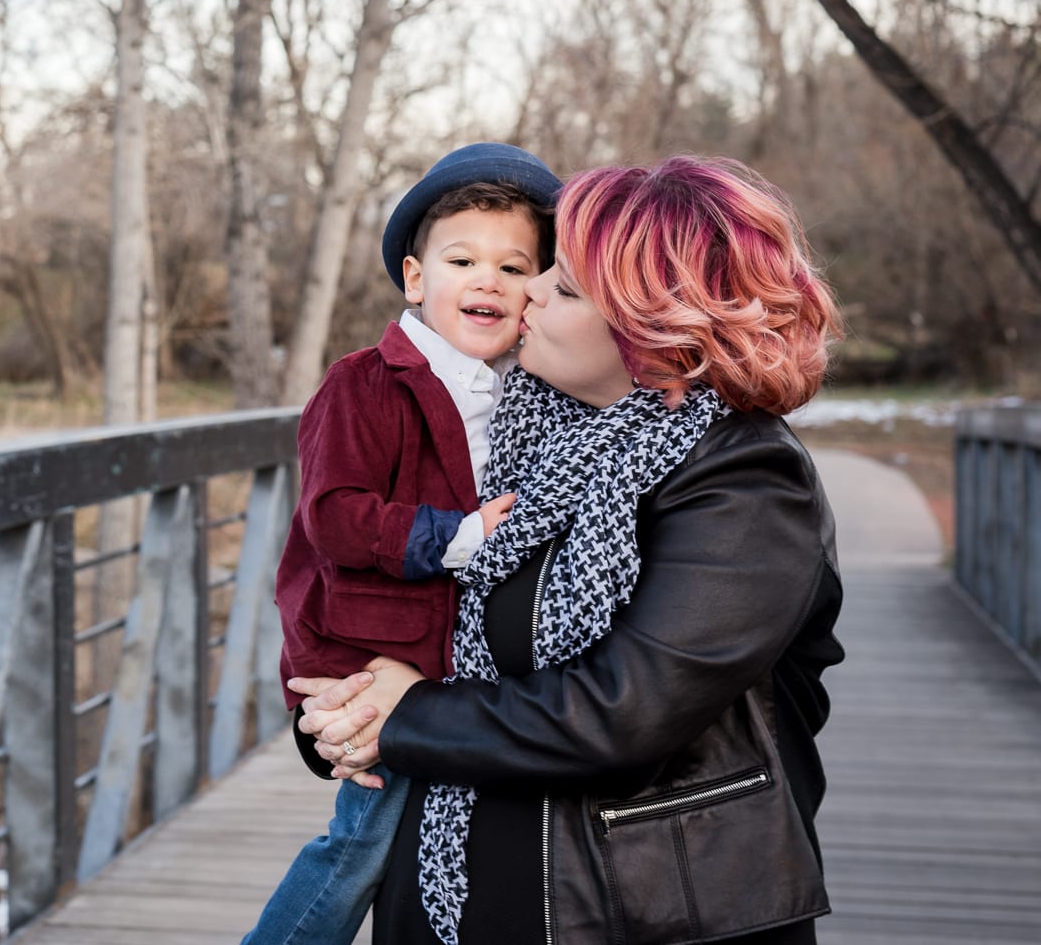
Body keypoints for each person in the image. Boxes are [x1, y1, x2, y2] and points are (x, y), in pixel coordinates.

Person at [292, 155, 846, 945]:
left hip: (639, 913)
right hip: (454, 899)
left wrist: (405, 714)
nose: (532, 290)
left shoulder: (746, 483)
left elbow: (624, 713)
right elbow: (393, 607)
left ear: (660, 328)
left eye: (567, 285)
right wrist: (337, 713)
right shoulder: (517, 435)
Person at [243, 143, 562, 945]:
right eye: (463, 259)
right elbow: (334, 514)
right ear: (417, 280)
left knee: (428, 851)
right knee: (361, 844)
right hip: (369, 651)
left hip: (451, 668)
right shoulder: (365, 382)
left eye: (514, 265)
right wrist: (456, 538)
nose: (488, 279)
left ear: (541, 293)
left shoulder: (531, 392)